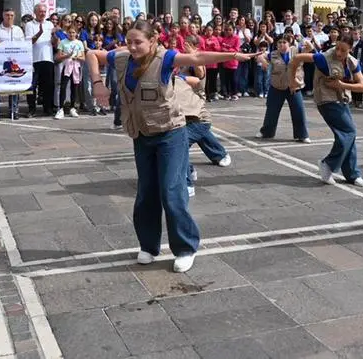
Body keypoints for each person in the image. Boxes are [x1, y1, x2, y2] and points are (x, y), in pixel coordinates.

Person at [86, 20, 257, 273]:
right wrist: (98, 84)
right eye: (129, 41)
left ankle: (186, 248)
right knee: (146, 192)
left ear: (152, 41)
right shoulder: (122, 58)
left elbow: (197, 57)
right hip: (142, 134)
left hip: (170, 134)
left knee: (171, 190)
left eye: (138, 42)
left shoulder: (165, 59)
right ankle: (148, 246)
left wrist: (232, 54)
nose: (132, 47)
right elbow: (91, 54)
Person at [288, 34, 363, 187]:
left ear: (350, 49)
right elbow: (296, 58)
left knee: (348, 134)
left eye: (343, 50)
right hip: (326, 100)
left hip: (342, 99)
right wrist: (292, 80)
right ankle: (328, 164)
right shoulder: (323, 58)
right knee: (349, 131)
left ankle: (352, 174)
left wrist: (342, 85)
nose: (338, 53)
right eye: (337, 48)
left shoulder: (352, 61)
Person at [255, 34, 310, 143]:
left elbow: (310, 48)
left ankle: (302, 135)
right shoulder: (273, 54)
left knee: (298, 111)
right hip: (277, 86)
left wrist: (303, 40)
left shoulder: (297, 50)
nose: (281, 44)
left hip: (294, 86)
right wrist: (264, 62)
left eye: (284, 42)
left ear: (289, 43)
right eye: (279, 42)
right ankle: (266, 132)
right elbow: (259, 56)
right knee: (271, 111)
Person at [0, 8, 24, 121]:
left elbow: (22, 45)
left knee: (14, 85)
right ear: (3, 16)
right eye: (7, 15)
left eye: (11, 15)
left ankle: (14, 111)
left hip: (15, 62)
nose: (9, 17)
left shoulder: (18, 30)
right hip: (0, 62)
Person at [25, 3, 55, 118]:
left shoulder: (50, 24)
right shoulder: (29, 24)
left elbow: (52, 42)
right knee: (32, 85)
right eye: (40, 11)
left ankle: (47, 108)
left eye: (44, 11)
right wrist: (39, 33)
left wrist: (55, 37)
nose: (42, 14)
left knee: (48, 85)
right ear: (35, 12)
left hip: (48, 58)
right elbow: (29, 42)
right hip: (34, 59)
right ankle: (31, 109)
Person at [56, 21, 85, 118]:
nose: (71, 34)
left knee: (74, 87)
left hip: (76, 67)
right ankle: (60, 109)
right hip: (67, 66)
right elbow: (59, 56)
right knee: (63, 87)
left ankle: (72, 108)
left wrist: (76, 57)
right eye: (70, 32)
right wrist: (67, 55)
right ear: (67, 33)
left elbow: (83, 58)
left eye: (73, 32)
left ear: (76, 33)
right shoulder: (63, 42)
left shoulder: (79, 43)